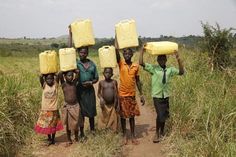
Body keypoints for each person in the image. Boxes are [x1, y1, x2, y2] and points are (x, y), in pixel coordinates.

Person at [139, 45, 184, 143]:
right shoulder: (153, 68)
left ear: (166, 60)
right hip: (157, 96)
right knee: (160, 115)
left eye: (163, 58)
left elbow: (181, 72)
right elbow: (141, 63)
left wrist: (178, 59)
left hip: (166, 95)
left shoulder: (170, 69)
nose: (162, 60)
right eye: (160, 59)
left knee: (164, 115)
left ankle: (162, 132)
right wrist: (142, 51)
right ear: (157, 60)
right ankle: (157, 133)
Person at [69, 26, 99, 138]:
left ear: (87, 53)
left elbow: (96, 78)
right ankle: (82, 133)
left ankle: (92, 131)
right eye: (81, 53)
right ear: (78, 53)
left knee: (91, 112)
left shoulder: (92, 64)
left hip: (89, 91)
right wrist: (71, 34)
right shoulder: (75, 63)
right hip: (79, 91)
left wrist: (91, 82)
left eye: (84, 53)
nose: (82, 54)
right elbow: (69, 49)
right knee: (81, 112)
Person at [115, 43, 145, 145]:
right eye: (125, 54)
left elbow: (138, 81)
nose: (127, 55)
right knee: (123, 117)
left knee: (132, 116)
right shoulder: (120, 63)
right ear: (123, 55)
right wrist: (117, 38)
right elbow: (116, 51)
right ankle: (124, 136)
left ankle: (132, 136)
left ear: (132, 55)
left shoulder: (136, 66)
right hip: (122, 95)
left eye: (129, 53)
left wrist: (141, 94)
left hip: (131, 95)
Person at [34, 73, 63, 146]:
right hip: (46, 109)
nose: (49, 80)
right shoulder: (44, 85)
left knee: (53, 125)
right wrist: (44, 73)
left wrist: (54, 73)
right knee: (47, 125)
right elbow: (40, 77)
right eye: (48, 79)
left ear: (53, 79)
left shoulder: (55, 85)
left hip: (54, 109)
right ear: (45, 80)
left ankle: (53, 139)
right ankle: (49, 138)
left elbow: (59, 75)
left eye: (51, 79)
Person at [59, 70, 83, 145]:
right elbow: (59, 74)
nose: (71, 77)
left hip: (75, 106)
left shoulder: (74, 83)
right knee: (68, 125)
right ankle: (69, 138)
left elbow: (78, 73)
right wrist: (65, 69)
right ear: (65, 77)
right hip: (68, 106)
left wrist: (73, 70)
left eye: (72, 75)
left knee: (76, 123)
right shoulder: (63, 84)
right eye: (68, 75)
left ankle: (76, 137)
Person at [97, 67, 119, 132]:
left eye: (109, 73)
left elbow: (116, 94)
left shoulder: (114, 82)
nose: (108, 74)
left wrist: (117, 104)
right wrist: (101, 98)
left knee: (113, 118)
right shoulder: (101, 83)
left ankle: (113, 130)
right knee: (104, 117)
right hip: (105, 104)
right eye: (106, 72)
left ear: (112, 74)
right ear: (103, 73)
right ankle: (103, 129)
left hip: (113, 104)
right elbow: (98, 93)